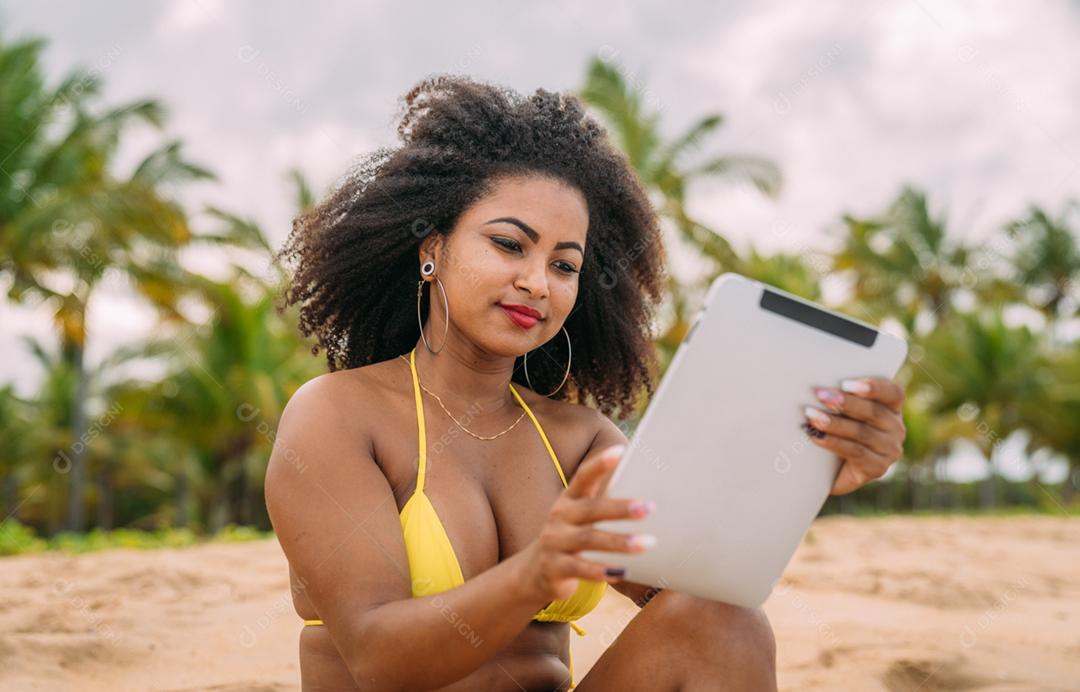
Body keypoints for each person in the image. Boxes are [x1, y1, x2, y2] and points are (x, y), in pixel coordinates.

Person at [264, 75, 907, 691]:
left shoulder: (579, 441)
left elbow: (691, 587)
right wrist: (537, 572)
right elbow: (378, 660)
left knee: (722, 624)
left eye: (564, 264)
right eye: (510, 245)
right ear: (432, 249)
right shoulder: (339, 415)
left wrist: (813, 471)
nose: (538, 283)